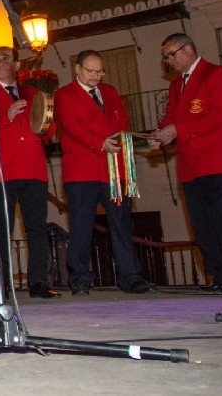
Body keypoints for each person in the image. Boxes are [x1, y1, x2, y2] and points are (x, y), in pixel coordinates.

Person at [54, 50, 155, 296]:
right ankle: (79, 278)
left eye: (99, 71)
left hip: (114, 171)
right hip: (82, 172)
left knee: (121, 224)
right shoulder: (64, 94)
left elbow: (122, 125)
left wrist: (129, 142)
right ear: (77, 69)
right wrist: (99, 143)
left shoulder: (110, 92)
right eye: (90, 71)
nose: (96, 76)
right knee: (81, 225)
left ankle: (131, 277)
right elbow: (71, 126)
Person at [153, 34, 222, 293]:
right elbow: (170, 118)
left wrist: (177, 129)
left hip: (214, 160)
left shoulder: (217, 74)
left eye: (172, 54)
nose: (169, 61)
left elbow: (221, 116)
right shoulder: (176, 86)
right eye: (166, 57)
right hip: (189, 166)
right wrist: (162, 134)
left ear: (188, 49)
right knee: (201, 223)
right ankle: (218, 276)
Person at [0, 46, 60, 299]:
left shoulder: (33, 92)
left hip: (33, 170)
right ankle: (2, 285)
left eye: (5, 59)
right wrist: (6, 115)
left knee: (36, 228)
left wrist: (44, 126)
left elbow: (50, 127)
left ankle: (38, 283)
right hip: (2, 170)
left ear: (17, 65)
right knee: (3, 229)